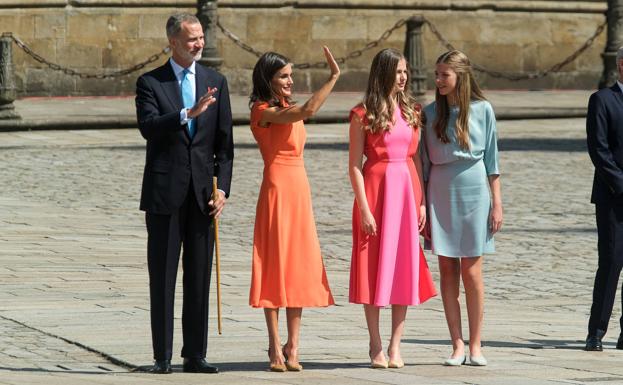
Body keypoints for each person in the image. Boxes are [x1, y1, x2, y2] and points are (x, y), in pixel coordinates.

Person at [135, 13, 233, 374]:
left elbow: (225, 145)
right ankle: (161, 356)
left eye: (201, 37)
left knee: (198, 275)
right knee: (162, 276)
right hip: (164, 193)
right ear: (173, 42)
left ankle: (194, 353)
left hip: (201, 196)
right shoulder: (151, 82)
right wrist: (186, 113)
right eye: (191, 39)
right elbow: (148, 128)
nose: (199, 44)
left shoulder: (215, 81)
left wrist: (222, 187)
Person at [248, 47, 338, 372]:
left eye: (290, 75)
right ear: (268, 80)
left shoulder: (287, 106)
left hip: (299, 188)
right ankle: (274, 345)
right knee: (274, 264)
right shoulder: (262, 111)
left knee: (298, 263)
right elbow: (309, 110)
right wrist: (334, 78)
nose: (289, 81)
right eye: (283, 76)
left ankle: (293, 346)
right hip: (276, 188)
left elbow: (301, 112)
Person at [348, 48, 437, 369]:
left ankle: (396, 346)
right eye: (398, 71)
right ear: (383, 73)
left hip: (405, 196)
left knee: (403, 270)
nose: (404, 77)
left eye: (405, 72)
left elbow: (415, 159)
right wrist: (364, 208)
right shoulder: (362, 114)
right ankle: (375, 345)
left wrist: (422, 200)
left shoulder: (413, 111)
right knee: (373, 270)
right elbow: (355, 166)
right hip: (374, 193)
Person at [422, 50, 502, 366]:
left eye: (445, 74)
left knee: (472, 271)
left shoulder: (484, 110)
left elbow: (493, 162)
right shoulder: (429, 114)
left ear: (460, 76)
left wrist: (497, 204)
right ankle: (456, 343)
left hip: (475, 190)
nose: (438, 80)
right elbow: (424, 164)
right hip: (439, 191)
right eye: (437, 74)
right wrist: (422, 206)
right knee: (447, 270)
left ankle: (476, 345)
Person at [585, 46, 623, 352]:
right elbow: (599, 149)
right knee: (610, 263)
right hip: (613, 197)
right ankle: (596, 332)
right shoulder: (602, 100)